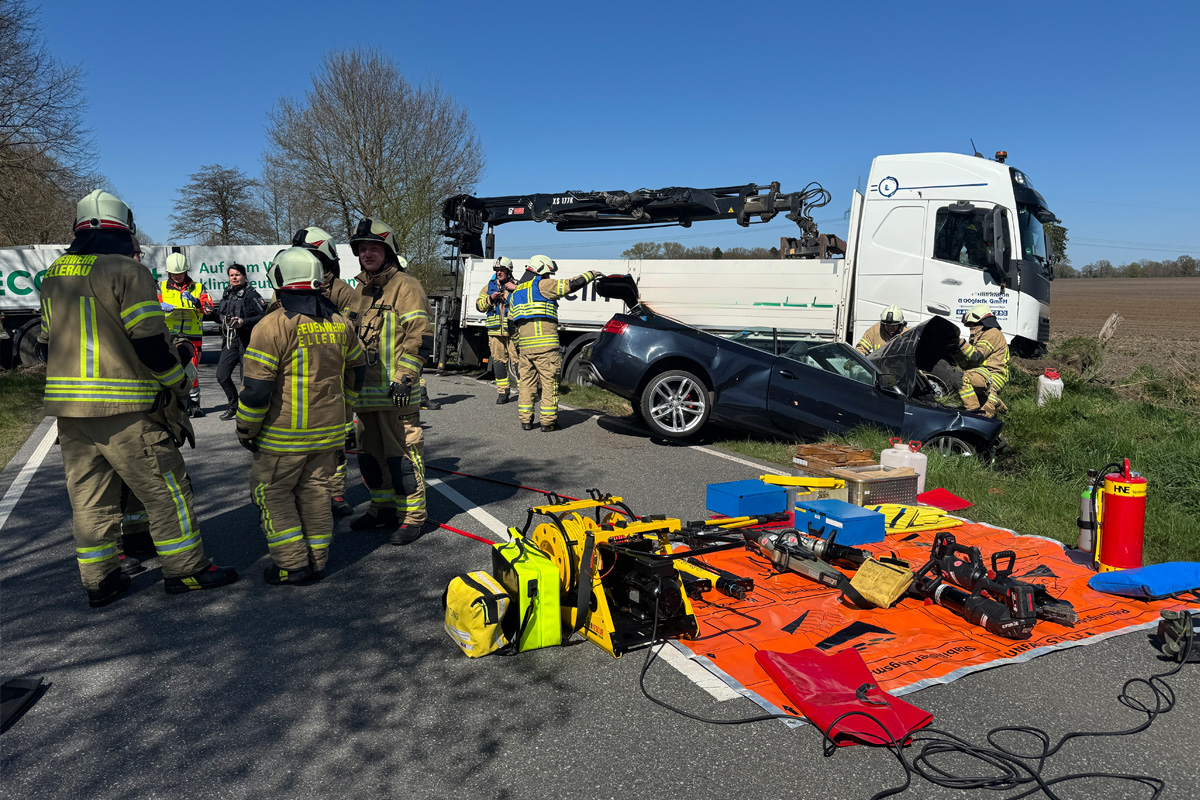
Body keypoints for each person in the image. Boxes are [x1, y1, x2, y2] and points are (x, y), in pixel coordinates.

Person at [39, 190, 237, 607]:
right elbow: (149, 342)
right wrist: (179, 378)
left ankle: (101, 580)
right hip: (126, 410)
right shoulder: (126, 271)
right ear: (124, 228)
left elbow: (45, 343)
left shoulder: (54, 273)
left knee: (90, 499)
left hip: (70, 414)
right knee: (166, 491)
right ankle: (187, 570)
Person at [235, 247, 366, 584]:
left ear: (279, 279)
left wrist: (246, 429)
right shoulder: (339, 323)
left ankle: (292, 564)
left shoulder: (272, 326)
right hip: (328, 433)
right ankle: (317, 560)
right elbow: (359, 367)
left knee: (271, 494)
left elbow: (256, 390)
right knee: (317, 493)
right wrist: (347, 405)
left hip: (283, 437)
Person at [343, 219, 433, 544]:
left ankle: (412, 517)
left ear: (388, 251)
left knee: (403, 460)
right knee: (370, 459)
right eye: (362, 248)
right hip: (364, 396)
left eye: (374, 248)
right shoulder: (359, 291)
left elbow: (420, 336)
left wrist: (405, 377)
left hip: (396, 394)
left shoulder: (407, 286)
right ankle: (380, 509)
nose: (368, 253)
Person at [295, 225, 356, 516]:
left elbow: (351, 336)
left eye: (311, 255)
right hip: (297, 378)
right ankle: (305, 493)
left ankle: (335, 495)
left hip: (333, 379)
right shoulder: (288, 286)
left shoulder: (343, 292)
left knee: (336, 443)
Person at [508, 255, 601, 431]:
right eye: (548, 273)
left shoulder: (516, 293)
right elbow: (570, 285)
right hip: (546, 349)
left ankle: (526, 421)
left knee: (526, 385)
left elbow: (511, 324)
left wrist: (518, 344)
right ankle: (548, 423)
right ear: (542, 269)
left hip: (526, 350)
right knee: (550, 384)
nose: (549, 277)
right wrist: (591, 274)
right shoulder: (543, 285)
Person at [158, 252, 213, 417]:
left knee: (192, 371)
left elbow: (208, 307)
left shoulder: (197, 287)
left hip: (192, 336)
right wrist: (160, 304)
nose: (177, 277)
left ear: (186, 271)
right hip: (170, 336)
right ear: (169, 273)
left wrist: (196, 301)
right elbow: (151, 304)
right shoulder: (160, 287)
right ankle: (175, 405)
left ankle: (195, 404)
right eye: (174, 274)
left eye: (180, 273)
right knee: (171, 371)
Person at [215, 263, 268, 421]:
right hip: (231, 341)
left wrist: (243, 321)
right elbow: (220, 317)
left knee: (247, 381)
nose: (234, 277)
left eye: (237, 274)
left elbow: (263, 316)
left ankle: (250, 412)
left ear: (244, 276)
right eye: (231, 275)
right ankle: (233, 405)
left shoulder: (252, 295)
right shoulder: (227, 294)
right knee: (222, 375)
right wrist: (210, 313)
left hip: (248, 341)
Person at [476, 256, 519, 404]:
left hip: (512, 331)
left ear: (509, 271)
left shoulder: (517, 285)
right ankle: (503, 393)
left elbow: (525, 302)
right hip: (494, 332)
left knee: (518, 362)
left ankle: (525, 392)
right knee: (499, 363)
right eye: (497, 270)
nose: (499, 272)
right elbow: (479, 306)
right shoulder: (489, 287)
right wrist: (491, 299)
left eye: (502, 270)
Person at [956, 303, 1010, 417]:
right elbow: (967, 365)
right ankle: (990, 401)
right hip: (981, 372)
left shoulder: (992, 333)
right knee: (959, 375)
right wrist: (956, 352)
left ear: (980, 321)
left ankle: (976, 414)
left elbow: (977, 355)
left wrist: (960, 343)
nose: (970, 328)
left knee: (964, 378)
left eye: (971, 324)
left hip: (994, 374)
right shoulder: (978, 336)